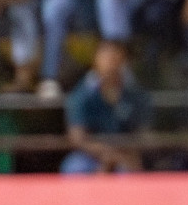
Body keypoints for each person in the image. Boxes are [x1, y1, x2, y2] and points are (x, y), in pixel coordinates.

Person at [61, 40, 151, 174]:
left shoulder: (135, 95)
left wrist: (124, 156)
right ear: (95, 60)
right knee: (74, 167)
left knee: (131, 173)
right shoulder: (81, 95)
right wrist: (107, 156)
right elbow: (77, 138)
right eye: (106, 57)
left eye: (115, 57)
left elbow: (142, 133)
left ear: (124, 60)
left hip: (125, 154)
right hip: (91, 156)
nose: (111, 63)